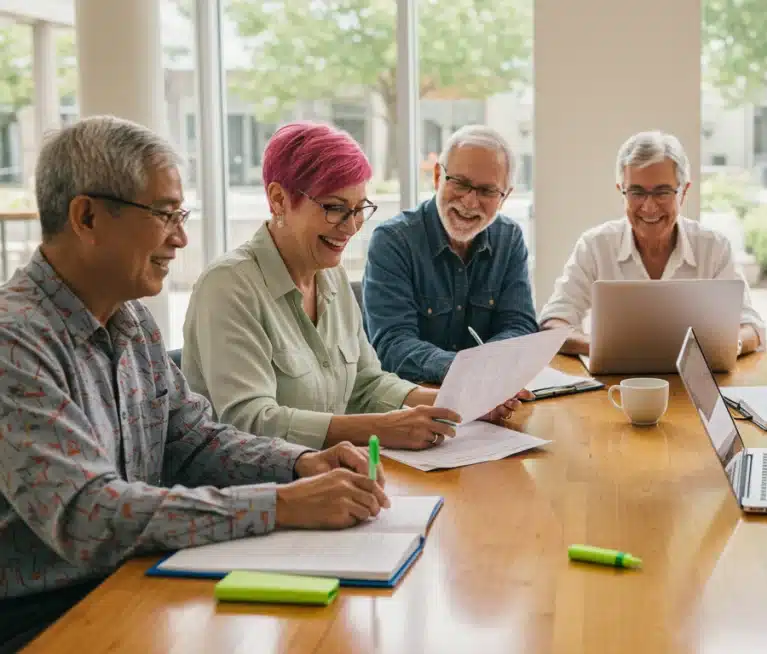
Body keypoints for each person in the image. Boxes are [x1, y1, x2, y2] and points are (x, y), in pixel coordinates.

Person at [0, 116, 392, 653]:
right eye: (165, 216)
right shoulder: (14, 343)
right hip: (41, 619)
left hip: (133, 582)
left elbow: (195, 439)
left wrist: (300, 464)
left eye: (180, 216)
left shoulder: (132, 321)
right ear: (87, 216)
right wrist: (282, 502)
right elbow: (90, 516)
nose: (181, 239)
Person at [182, 122, 524, 452]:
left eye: (360, 209)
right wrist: (382, 428)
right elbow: (251, 423)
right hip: (259, 499)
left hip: (331, 479)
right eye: (334, 208)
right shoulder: (228, 287)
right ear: (278, 199)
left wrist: (460, 402)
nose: (351, 227)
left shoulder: (330, 275)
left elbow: (367, 384)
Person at [538, 130, 766, 356]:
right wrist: (606, 349)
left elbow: (751, 328)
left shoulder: (714, 247)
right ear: (622, 192)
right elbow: (553, 323)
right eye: (636, 193)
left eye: (662, 192)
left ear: (683, 192)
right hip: (617, 385)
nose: (648, 207)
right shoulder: (595, 246)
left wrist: (724, 346)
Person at [362, 125, 537, 384]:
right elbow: (392, 344)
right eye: (460, 183)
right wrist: (467, 371)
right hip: (414, 404)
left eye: (487, 191)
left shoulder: (509, 239)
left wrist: (483, 372)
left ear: (504, 196)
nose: (469, 202)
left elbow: (519, 327)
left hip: (489, 396)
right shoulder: (393, 241)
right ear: (437, 177)